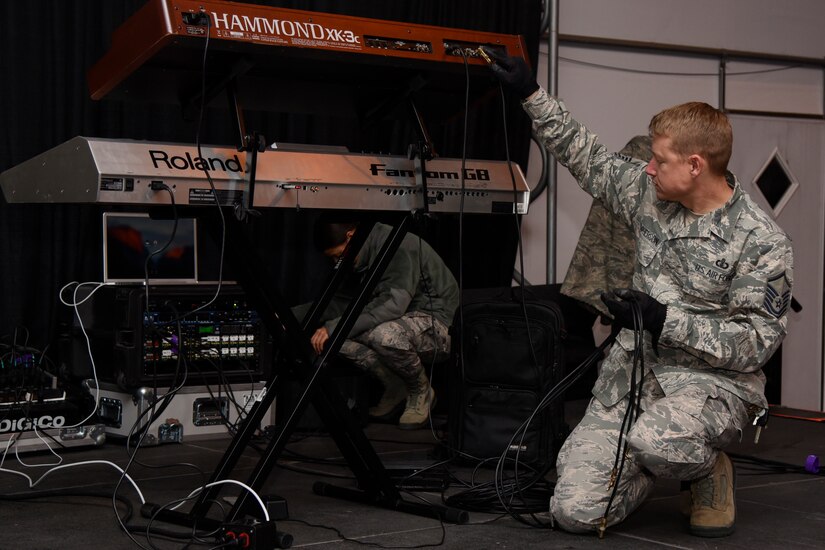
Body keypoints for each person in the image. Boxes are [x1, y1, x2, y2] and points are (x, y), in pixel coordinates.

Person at [483, 48, 794, 538]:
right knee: (574, 511)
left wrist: (663, 318)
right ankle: (650, 464)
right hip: (633, 376)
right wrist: (530, 93)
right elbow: (584, 154)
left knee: (660, 441)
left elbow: (756, 343)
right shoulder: (649, 194)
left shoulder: (761, 241)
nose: (648, 167)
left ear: (695, 165)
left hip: (710, 386)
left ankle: (706, 470)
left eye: (659, 158)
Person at [299, 217, 459, 430]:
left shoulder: (398, 245)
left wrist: (335, 327)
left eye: (338, 255)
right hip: (400, 322)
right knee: (330, 340)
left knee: (382, 335)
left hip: (440, 326)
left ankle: (420, 390)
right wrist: (289, 316)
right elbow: (342, 303)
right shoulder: (363, 253)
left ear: (351, 236)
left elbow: (392, 306)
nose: (336, 262)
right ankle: (395, 385)